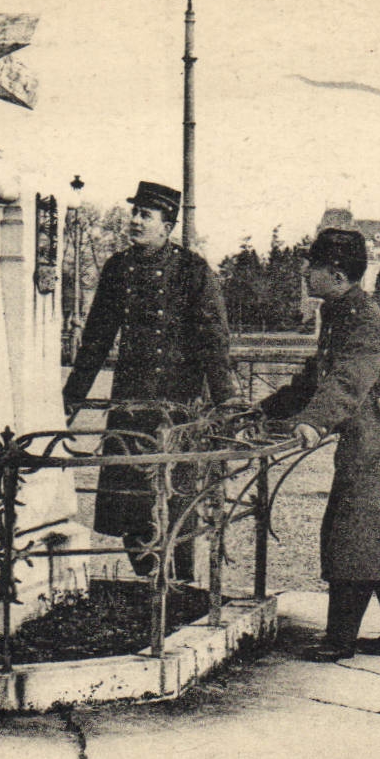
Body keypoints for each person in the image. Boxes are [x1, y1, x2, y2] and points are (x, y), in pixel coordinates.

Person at [259, 229, 380, 662]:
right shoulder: (342, 312)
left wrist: (314, 423)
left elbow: (349, 379)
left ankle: (339, 641)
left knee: (352, 539)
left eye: (311, 266)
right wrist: (266, 410)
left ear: (335, 274)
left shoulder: (362, 320)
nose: (304, 272)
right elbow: (317, 376)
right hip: (378, 443)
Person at [62, 180, 235, 581]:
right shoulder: (118, 268)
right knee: (130, 505)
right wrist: (69, 402)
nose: (135, 221)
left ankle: (183, 584)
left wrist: (226, 403)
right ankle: (149, 582)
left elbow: (214, 342)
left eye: (145, 215)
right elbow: (96, 342)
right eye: (134, 213)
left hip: (180, 409)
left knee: (180, 503)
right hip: (131, 404)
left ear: (167, 225)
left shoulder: (193, 270)